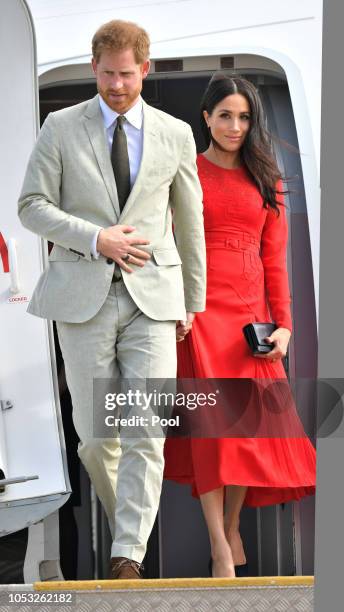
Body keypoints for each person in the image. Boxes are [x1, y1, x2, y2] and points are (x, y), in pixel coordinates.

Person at [18, 20, 206, 580]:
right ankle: (127, 509)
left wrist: (191, 299)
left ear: (144, 69)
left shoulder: (175, 133)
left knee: (147, 427)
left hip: (154, 298)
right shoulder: (60, 126)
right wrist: (94, 237)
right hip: (83, 297)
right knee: (99, 438)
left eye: (126, 74)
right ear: (93, 67)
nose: (116, 85)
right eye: (106, 75)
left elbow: (190, 223)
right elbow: (31, 205)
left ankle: (129, 553)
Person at [164, 73, 316, 578]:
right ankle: (220, 547)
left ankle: (230, 526)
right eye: (225, 115)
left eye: (244, 117)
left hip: (249, 321)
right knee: (211, 434)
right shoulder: (184, 172)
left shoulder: (266, 179)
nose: (235, 126)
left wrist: (285, 327)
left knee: (244, 433)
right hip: (200, 315)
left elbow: (276, 262)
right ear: (205, 117)